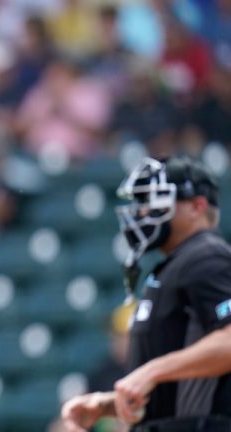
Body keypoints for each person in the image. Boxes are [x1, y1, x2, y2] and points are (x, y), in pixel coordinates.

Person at [61, 156, 231, 432]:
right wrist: (109, 404)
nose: (141, 212)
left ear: (197, 206)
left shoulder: (206, 257)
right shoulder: (175, 265)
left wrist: (152, 371)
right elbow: (176, 389)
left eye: (155, 200)